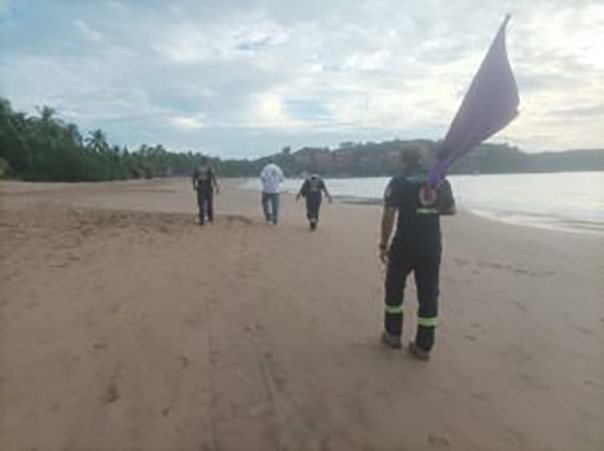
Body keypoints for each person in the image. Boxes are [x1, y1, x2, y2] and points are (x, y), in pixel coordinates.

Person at [379, 146, 456, 360]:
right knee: (428, 294)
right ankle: (424, 346)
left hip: (404, 243)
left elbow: (389, 214)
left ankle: (393, 335)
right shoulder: (439, 180)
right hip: (431, 245)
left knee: (394, 289)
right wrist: (432, 204)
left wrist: (383, 245)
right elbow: (451, 210)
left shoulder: (399, 180)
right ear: (423, 158)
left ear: (403, 159)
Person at [192, 157, 220, 225]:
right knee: (209, 203)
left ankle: (202, 219)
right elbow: (214, 178)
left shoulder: (198, 168)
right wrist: (217, 187)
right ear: (206, 161)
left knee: (201, 203)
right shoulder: (209, 168)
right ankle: (210, 218)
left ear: (201, 161)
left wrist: (194, 186)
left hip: (201, 186)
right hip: (208, 186)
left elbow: (194, 178)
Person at [260, 159, 284, 225]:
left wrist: (266, 183)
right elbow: (282, 179)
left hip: (266, 189)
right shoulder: (278, 169)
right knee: (275, 205)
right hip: (276, 190)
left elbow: (262, 177)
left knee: (265, 204)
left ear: (268, 162)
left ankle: (268, 219)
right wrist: (277, 184)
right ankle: (275, 220)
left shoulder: (265, 168)